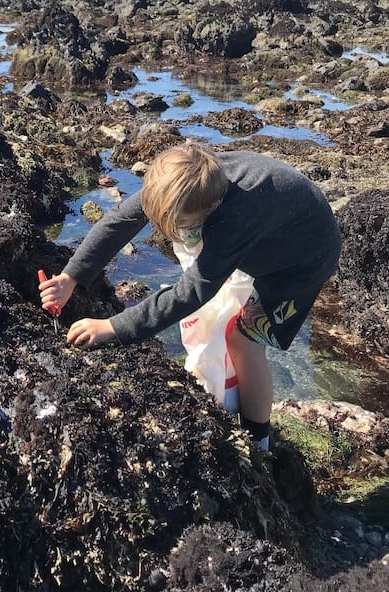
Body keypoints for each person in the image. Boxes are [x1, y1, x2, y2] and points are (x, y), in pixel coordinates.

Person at [39, 143, 342, 450]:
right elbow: (118, 222)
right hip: (275, 227)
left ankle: (258, 439)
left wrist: (115, 327)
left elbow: (192, 292)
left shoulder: (234, 219)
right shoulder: (175, 184)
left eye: (182, 226)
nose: (173, 232)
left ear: (211, 208)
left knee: (244, 340)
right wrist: (71, 276)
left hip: (304, 258)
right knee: (226, 313)